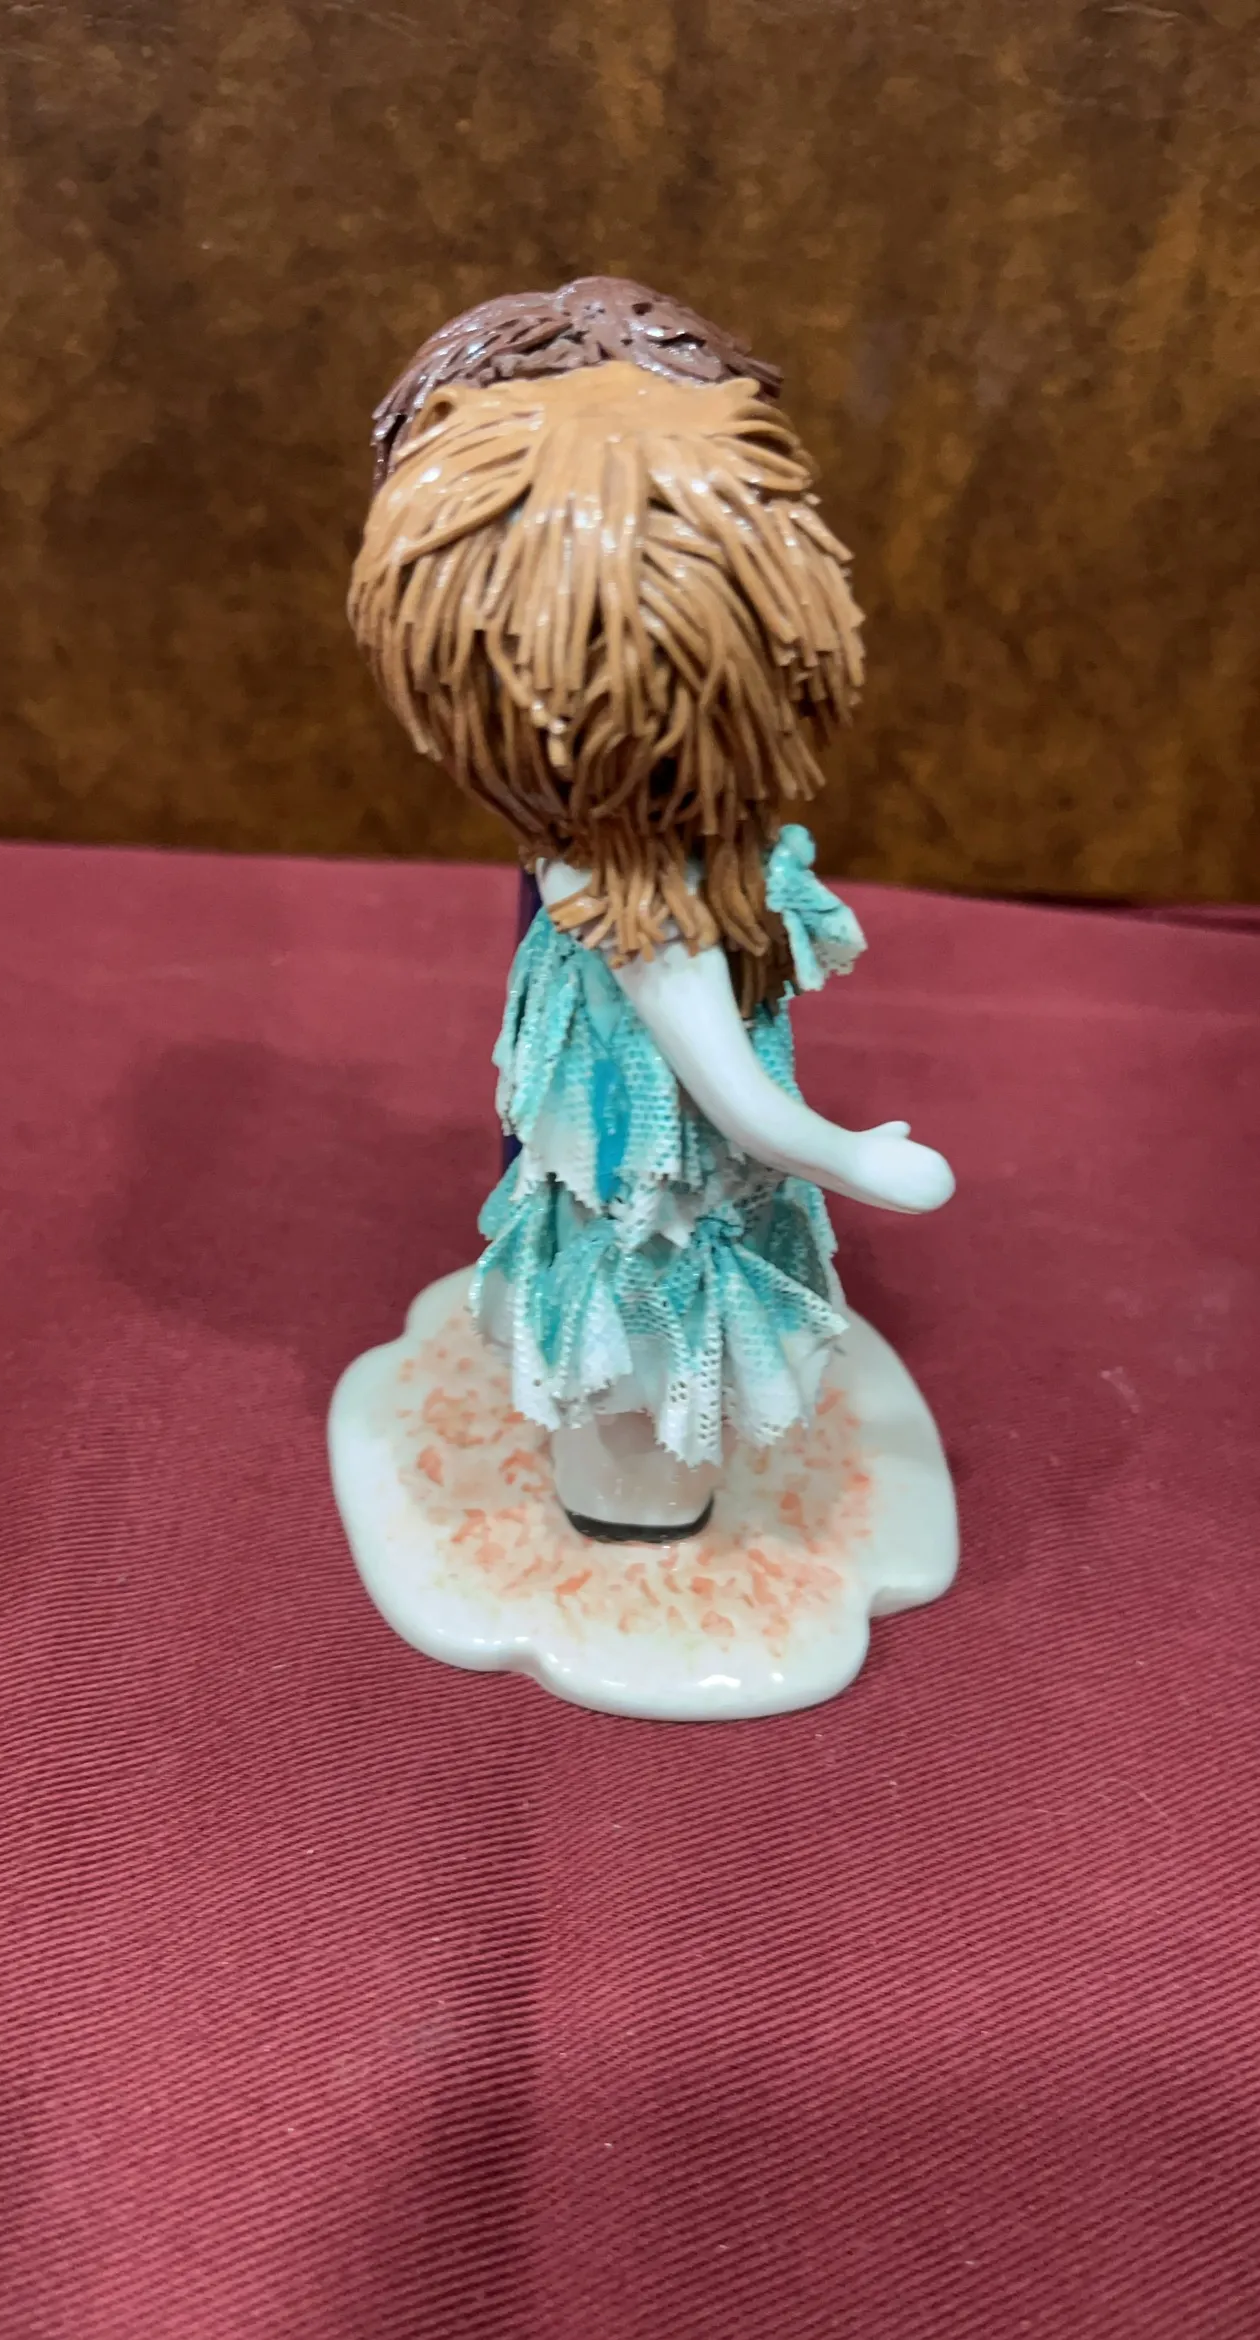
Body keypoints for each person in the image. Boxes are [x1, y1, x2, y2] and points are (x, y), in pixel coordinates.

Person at [349, 302, 952, 1540]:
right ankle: (637, 1514)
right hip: (653, 1178)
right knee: (645, 1352)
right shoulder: (651, 914)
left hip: (629, 1158)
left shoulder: (596, 858)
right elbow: (734, 1095)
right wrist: (852, 1159)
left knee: (632, 1334)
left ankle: (633, 1489)